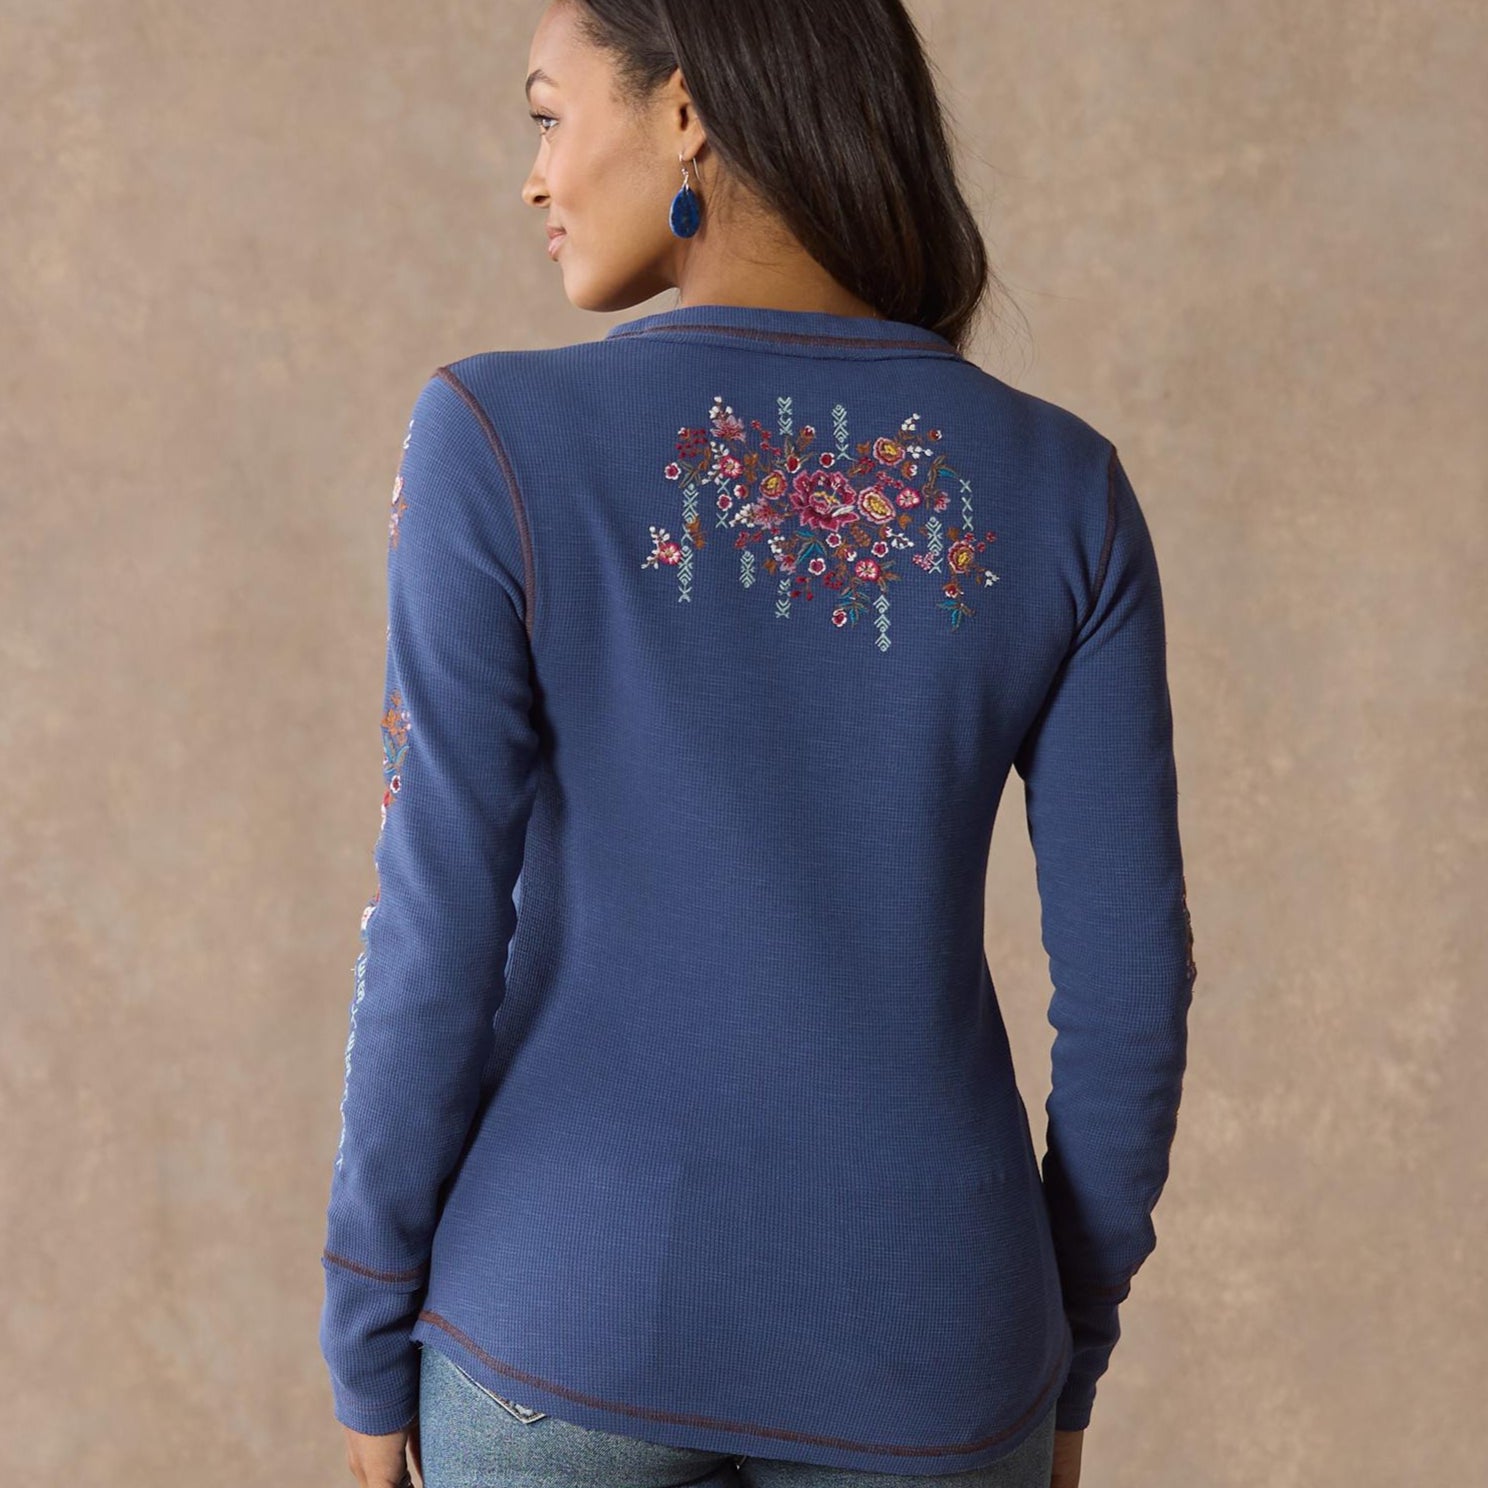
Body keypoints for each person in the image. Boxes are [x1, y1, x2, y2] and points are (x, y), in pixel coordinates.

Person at [319, 2, 1198, 1486]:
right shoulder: (1064, 487)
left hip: (565, 1320)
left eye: (549, 114)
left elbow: (434, 926)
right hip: (935, 1348)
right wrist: (1070, 1349)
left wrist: (365, 1318)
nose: (535, 175)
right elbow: (1130, 995)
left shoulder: (493, 435)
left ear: (685, 111)